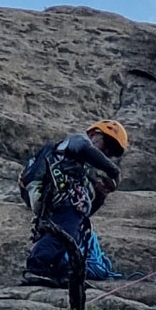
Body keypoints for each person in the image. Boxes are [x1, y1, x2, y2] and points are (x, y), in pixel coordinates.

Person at [21, 121, 128, 288]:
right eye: (106, 145)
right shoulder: (79, 140)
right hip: (55, 193)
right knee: (64, 232)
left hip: (56, 198)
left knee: (73, 232)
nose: (105, 153)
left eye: (110, 153)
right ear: (94, 134)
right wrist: (114, 171)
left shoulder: (82, 169)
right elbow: (84, 148)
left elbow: (86, 212)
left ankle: (60, 272)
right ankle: (36, 267)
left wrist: (101, 195)